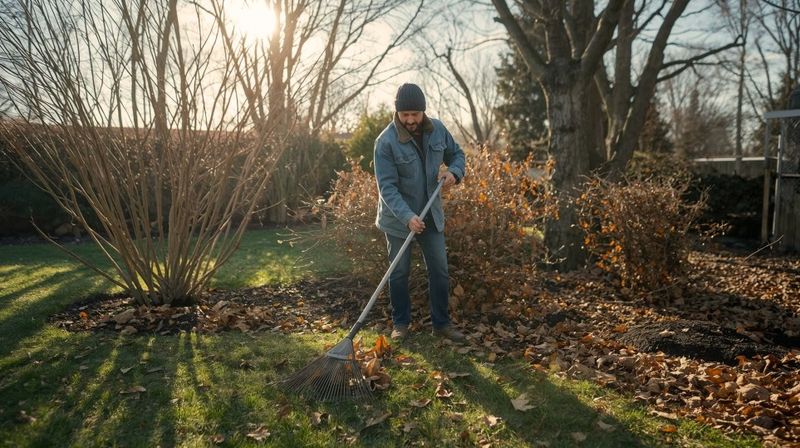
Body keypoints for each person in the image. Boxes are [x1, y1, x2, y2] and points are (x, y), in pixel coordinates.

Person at [373, 83, 466, 342]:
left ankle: (441, 324)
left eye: (415, 114)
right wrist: (407, 217)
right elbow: (387, 188)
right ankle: (401, 324)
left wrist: (454, 172)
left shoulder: (438, 130)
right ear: (397, 113)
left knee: (440, 270)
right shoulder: (385, 142)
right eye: (405, 115)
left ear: (423, 111)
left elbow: (458, 155)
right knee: (399, 272)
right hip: (398, 219)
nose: (411, 119)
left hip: (430, 215)